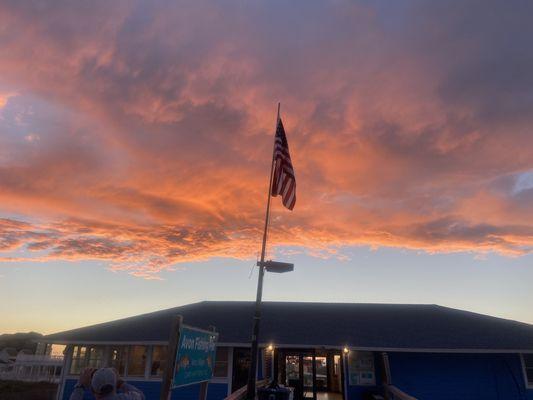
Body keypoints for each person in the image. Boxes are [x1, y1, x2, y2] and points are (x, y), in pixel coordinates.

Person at [70, 367, 145, 400]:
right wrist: (120, 382)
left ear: (92, 390)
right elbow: (140, 395)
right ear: (115, 384)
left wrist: (80, 385)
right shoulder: (126, 398)